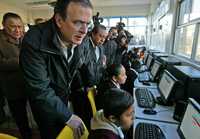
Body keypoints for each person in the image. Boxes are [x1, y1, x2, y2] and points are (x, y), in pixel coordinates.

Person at [19, 0, 93, 139]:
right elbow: (39, 90)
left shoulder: (81, 38)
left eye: (87, 24)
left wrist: (91, 84)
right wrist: (68, 116)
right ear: (59, 20)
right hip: (44, 104)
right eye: (77, 22)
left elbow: (83, 64)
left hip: (64, 97)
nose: (84, 31)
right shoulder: (34, 40)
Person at [0, 12, 31, 139]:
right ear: (3, 25)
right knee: (21, 118)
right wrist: (22, 60)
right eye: (13, 26)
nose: (18, 30)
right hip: (12, 87)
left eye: (20, 26)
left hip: (30, 84)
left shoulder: (26, 37)